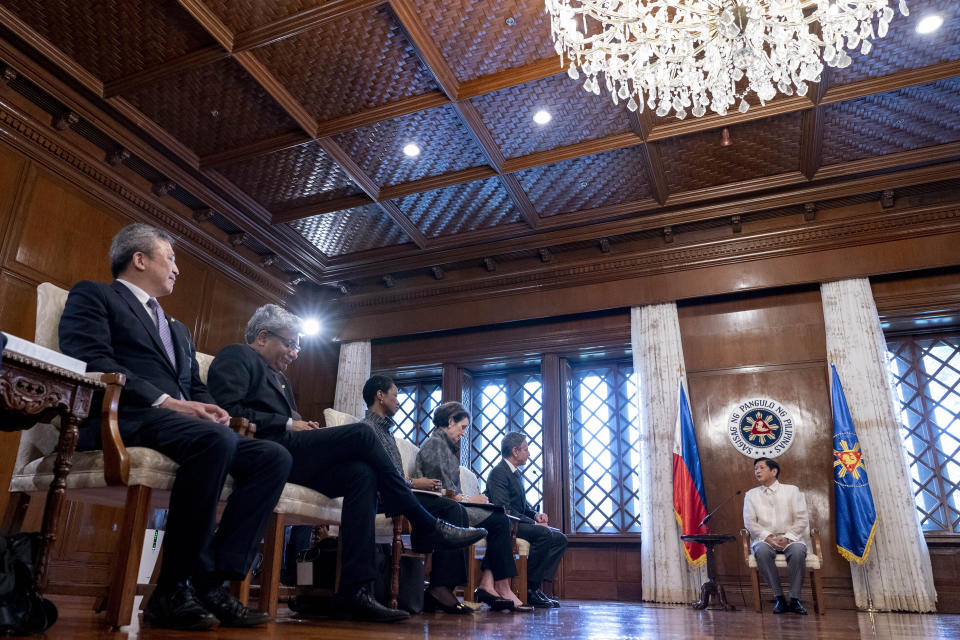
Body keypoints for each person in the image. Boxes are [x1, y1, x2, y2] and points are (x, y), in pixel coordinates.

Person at [58, 223, 292, 630]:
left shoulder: (179, 329)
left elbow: (195, 387)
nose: (177, 269)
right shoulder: (95, 295)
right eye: (171, 258)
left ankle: (211, 581)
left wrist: (211, 408)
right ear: (140, 259)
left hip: (181, 428)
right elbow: (89, 358)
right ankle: (172, 588)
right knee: (213, 440)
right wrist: (168, 402)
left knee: (272, 457)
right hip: (124, 418)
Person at [206, 305, 486, 622]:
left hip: (292, 455)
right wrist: (287, 423)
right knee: (363, 434)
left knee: (361, 474)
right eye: (290, 343)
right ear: (262, 336)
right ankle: (424, 522)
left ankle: (356, 591)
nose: (295, 352)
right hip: (263, 451)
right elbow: (226, 410)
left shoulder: (281, 380)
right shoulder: (237, 356)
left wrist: (301, 426)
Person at [415, 402, 529, 612]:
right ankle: (444, 588)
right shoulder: (435, 445)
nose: (464, 433)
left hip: (451, 505)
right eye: (463, 427)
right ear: (450, 421)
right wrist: (470, 498)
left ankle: (490, 582)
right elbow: (441, 492)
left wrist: (470, 499)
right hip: (435, 507)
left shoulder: (446, 449)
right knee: (497, 519)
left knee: (499, 519)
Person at [486, 432, 567, 608]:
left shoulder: (515, 473)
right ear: (515, 451)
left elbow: (521, 507)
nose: (529, 453)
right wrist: (533, 523)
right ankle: (529, 589)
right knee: (544, 534)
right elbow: (504, 508)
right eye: (526, 449)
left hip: (520, 520)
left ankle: (536, 586)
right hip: (509, 525)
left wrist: (534, 515)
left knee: (560, 538)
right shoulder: (499, 473)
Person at [743, 457, 810, 615]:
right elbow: (750, 522)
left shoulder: (792, 490)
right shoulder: (751, 495)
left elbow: (802, 519)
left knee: (798, 551)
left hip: (791, 538)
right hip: (764, 540)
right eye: (755, 469)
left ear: (774, 471)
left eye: (761, 468)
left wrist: (787, 537)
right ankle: (779, 597)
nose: (757, 471)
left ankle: (795, 599)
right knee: (762, 551)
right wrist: (768, 537)